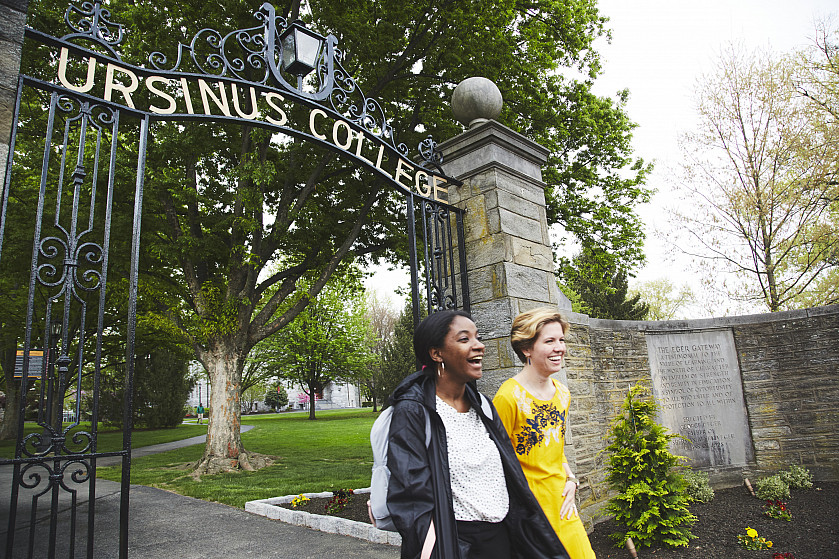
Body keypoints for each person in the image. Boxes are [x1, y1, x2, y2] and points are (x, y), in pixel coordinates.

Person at [386, 309, 569, 559]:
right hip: (457, 544)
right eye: (465, 339)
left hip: (502, 538)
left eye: (478, 337)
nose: (479, 346)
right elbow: (410, 500)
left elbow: (512, 474)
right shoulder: (414, 411)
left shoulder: (483, 406)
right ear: (436, 353)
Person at [493, 307, 596, 559]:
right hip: (530, 512)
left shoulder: (563, 394)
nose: (559, 347)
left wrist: (571, 480)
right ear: (526, 349)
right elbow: (497, 463)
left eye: (561, 340)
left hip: (563, 504)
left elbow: (556, 450)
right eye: (549, 341)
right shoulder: (508, 397)